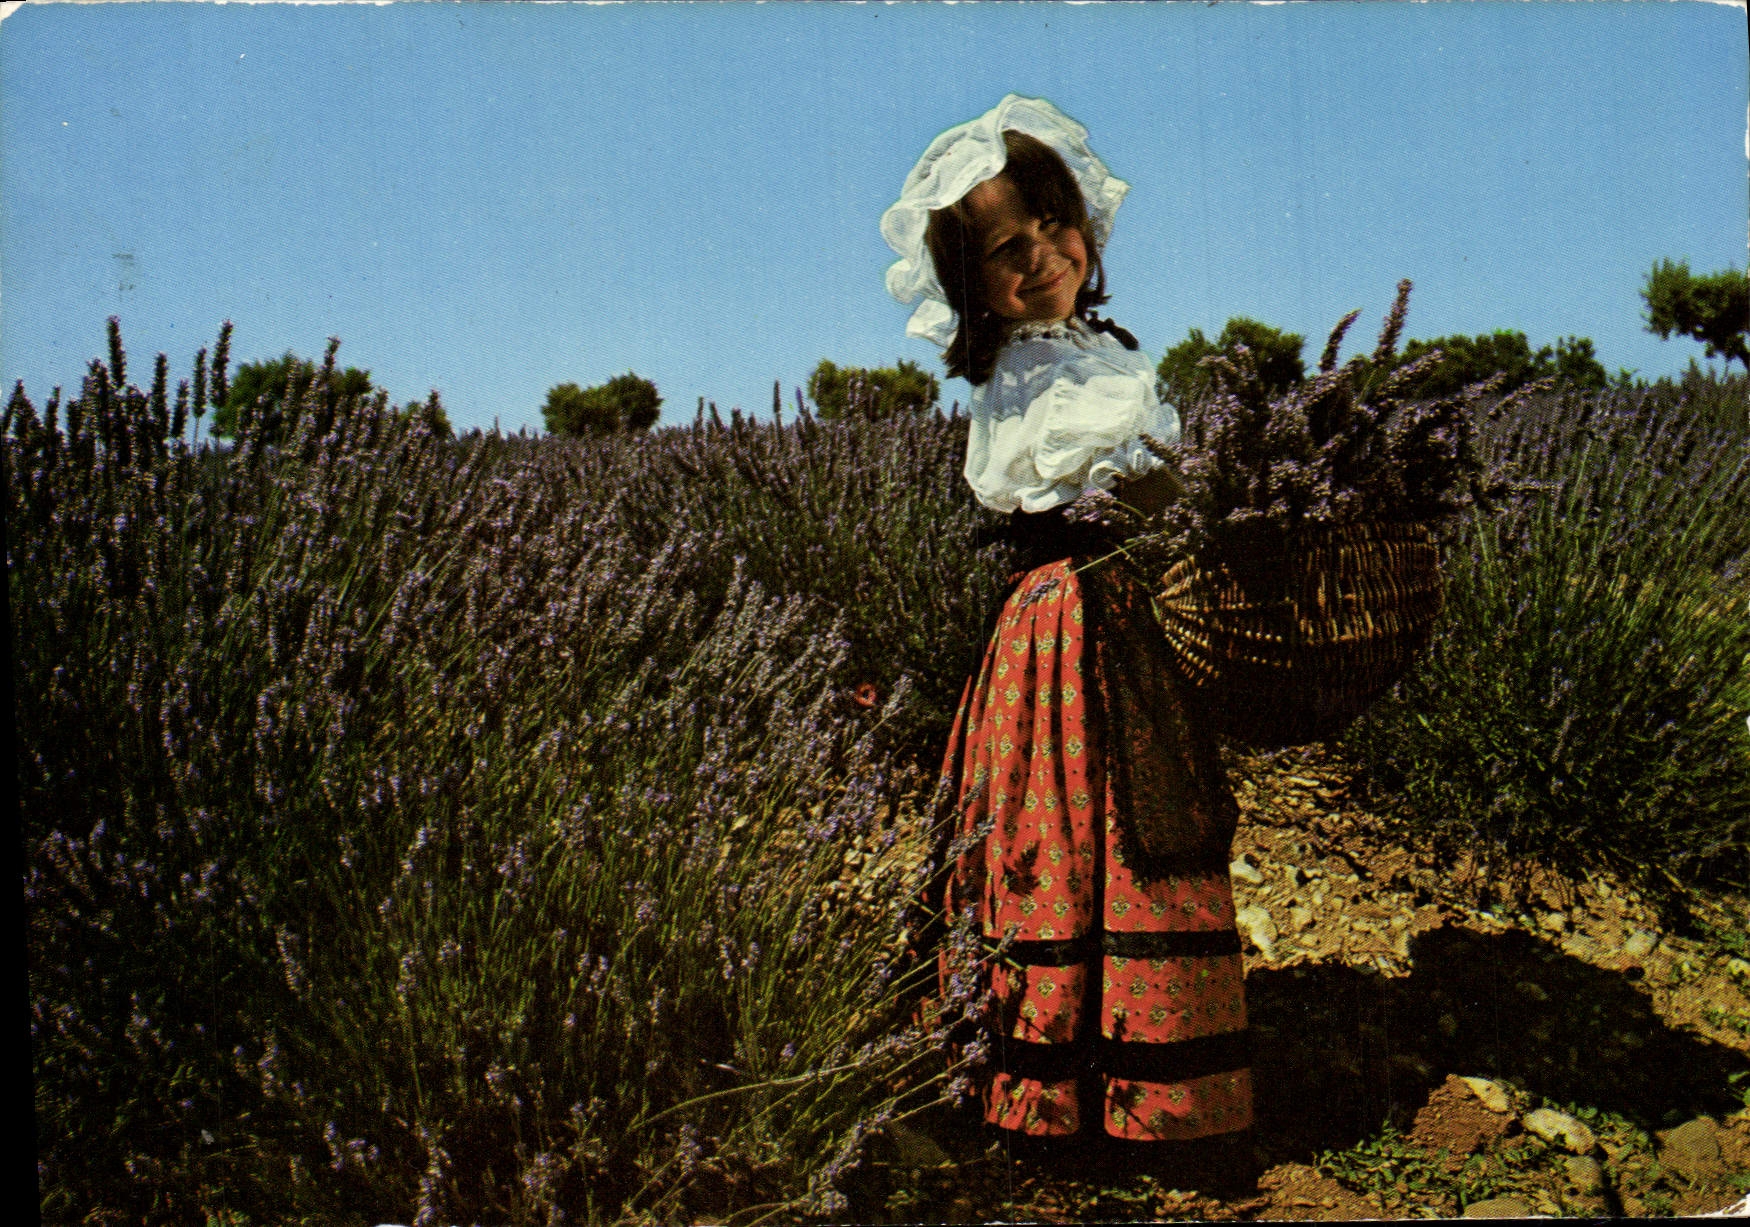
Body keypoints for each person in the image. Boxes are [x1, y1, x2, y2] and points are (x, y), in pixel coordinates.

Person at [882, 96, 1254, 1172]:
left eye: (1054, 228)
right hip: (1061, 626)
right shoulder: (1024, 369)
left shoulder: (1105, 348)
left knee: (1142, 819)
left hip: (1127, 617)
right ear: (971, 287)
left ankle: (1145, 1081)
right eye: (1008, 249)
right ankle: (1052, 1089)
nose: (1042, 258)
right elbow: (1064, 485)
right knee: (1070, 827)